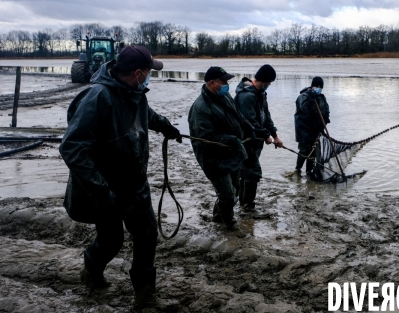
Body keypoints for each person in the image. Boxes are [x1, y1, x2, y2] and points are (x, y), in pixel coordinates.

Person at [59, 45, 181, 309]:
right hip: (106, 189)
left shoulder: (135, 92)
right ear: (138, 73)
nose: (151, 76)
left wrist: (165, 126)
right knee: (112, 240)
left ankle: (145, 296)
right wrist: (99, 190)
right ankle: (91, 270)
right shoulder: (97, 98)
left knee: (147, 235)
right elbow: (71, 147)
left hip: (135, 184)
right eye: (149, 71)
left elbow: (145, 115)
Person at [188, 66, 253, 230]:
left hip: (232, 151)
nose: (227, 84)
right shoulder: (200, 107)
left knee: (235, 188)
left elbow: (237, 114)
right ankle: (229, 223)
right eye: (223, 81)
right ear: (212, 83)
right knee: (227, 194)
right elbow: (205, 138)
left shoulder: (224, 96)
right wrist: (232, 139)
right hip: (213, 157)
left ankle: (218, 216)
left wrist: (249, 126)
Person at [234, 64, 283, 216]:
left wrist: (274, 136)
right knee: (253, 172)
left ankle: (243, 204)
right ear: (261, 80)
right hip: (245, 140)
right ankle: (248, 208)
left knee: (246, 172)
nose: (268, 86)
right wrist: (265, 135)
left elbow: (266, 117)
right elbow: (249, 122)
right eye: (268, 83)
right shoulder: (246, 96)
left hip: (256, 142)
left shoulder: (261, 94)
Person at [294, 76, 330, 177]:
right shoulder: (303, 96)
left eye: (320, 87)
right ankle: (297, 170)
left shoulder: (322, 98)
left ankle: (309, 172)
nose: (319, 88)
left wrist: (324, 123)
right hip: (303, 129)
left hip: (316, 130)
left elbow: (326, 111)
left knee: (313, 152)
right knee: (304, 151)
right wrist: (311, 98)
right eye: (317, 86)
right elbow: (305, 110)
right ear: (312, 86)